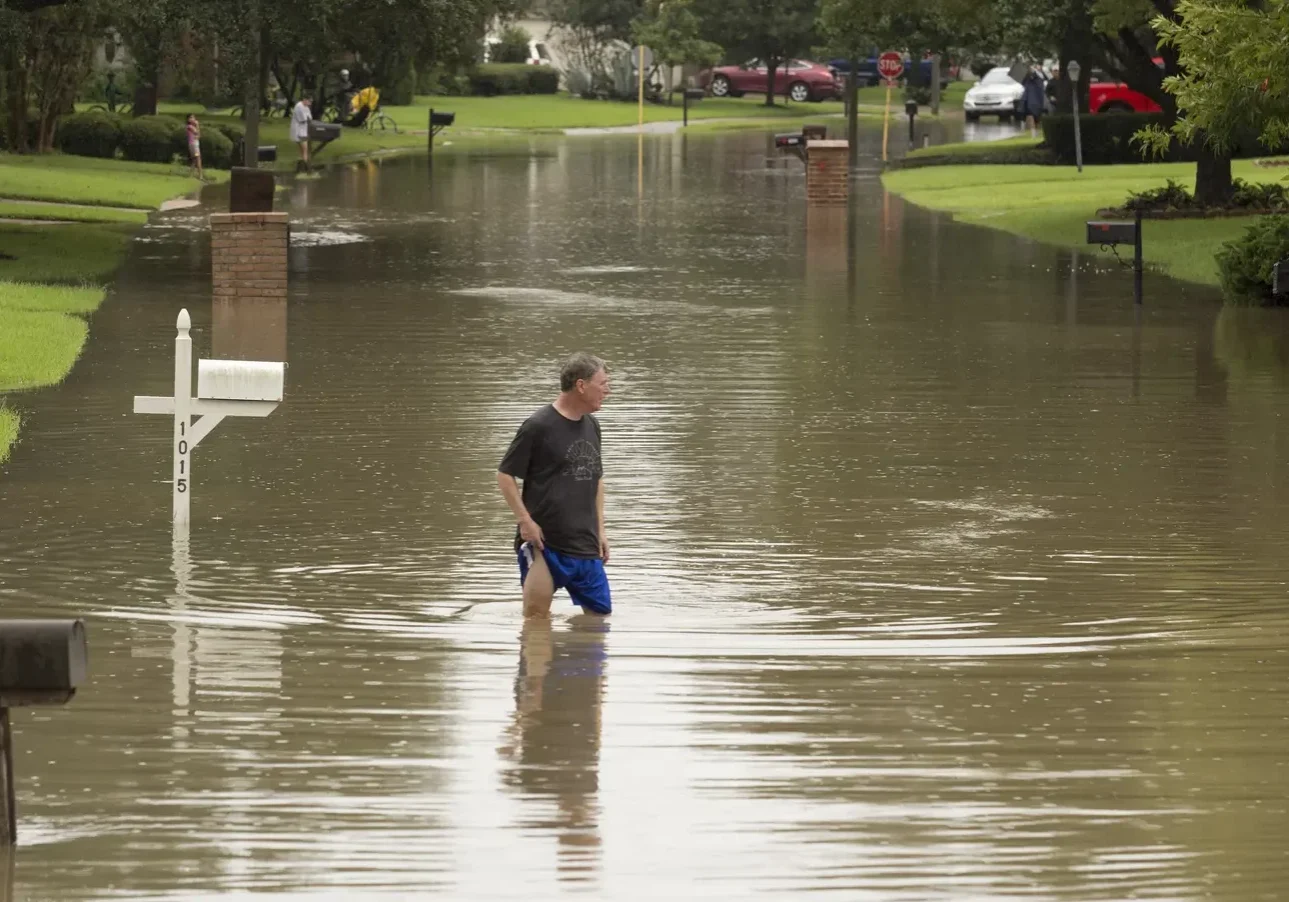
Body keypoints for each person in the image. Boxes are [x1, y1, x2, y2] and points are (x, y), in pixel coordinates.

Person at [497, 353, 612, 618]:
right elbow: (505, 475)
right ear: (581, 386)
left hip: (585, 544)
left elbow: (597, 480)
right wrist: (525, 522)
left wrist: (601, 530)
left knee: (599, 622)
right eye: (603, 383)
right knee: (535, 621)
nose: (608, 390)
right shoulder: (538, 426)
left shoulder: (592, 426)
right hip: (545, 544)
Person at [1021, 67, 1046, 137]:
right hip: (1029, 99)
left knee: (1037, 116)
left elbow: (1041, 82)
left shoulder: (1039, 78)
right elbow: (1024, 84)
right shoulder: (1027, 79)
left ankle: (1036, 131)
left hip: (1037, 99)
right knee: (1030, 115)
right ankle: (1033, 132)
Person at [290, 96, 312, 170]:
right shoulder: (299, 106)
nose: (310, 104)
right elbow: (303, 119)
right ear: (305, 100)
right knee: (305, 149)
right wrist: (307, 119)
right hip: (299, 131)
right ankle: (306, 167)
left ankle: (302, 166)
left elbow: (310, 117)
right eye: (309, 101)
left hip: (303, 131)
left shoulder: (306, 107)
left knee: (303, 150)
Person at [185, 114, 204, 181]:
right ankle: (200, 175)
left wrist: (198, 134)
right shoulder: (189, 126)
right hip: (194, 145)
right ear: (188, 119)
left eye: (193, 117)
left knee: (194, 160)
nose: (193, 119)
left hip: (195, 144)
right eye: (191, 117)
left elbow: (199, 136)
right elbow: (196, 133)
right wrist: (197, 125)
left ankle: (190, 174)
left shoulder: (193, 127)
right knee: (198, 158)